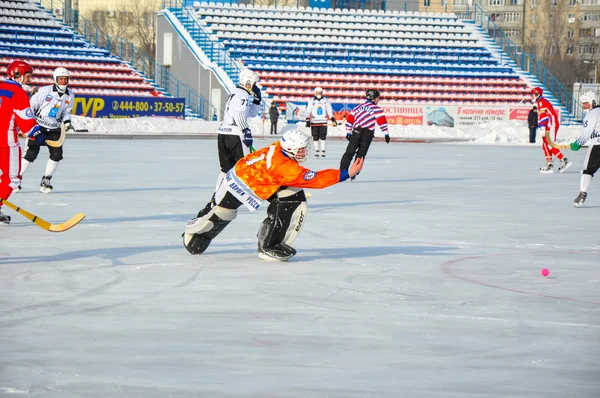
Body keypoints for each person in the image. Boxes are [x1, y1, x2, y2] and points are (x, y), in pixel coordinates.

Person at [183, 130, 364, 261]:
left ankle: (269, 244)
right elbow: (316, 180)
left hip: (255, 176)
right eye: (300, 149)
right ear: (291, 149)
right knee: (222, 213)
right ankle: (193, 236)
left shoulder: (281, 147)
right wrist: (346, 173)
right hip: (240, 181)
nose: (304, 152)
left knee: (293, 198)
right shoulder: (286, 168)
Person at [198, 68, 261, 217]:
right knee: (243, 168)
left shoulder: (235, 92)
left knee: (225, 169)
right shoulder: (243, 94)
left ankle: (216, 199)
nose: (255, 86)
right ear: (248, 82)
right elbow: (240, 115)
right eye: (253, 83)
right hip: (235, 135)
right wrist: (245, 130)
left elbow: (250, 113)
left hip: (223, 133)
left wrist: (257, 101)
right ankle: (238, 198)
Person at [18, 67, 75, 193]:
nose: (64, 81)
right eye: (61, 79)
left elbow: (67, 111)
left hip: (55, 129)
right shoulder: (45, 90)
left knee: (57, 155)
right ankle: (17, 179)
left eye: (66, 79)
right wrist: (28, 123)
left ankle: (46, 179)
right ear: (55, 79)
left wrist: (67, 122)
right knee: (30, 153)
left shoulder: (70, 95)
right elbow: (32, 105)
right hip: (39, 126)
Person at [0, 60, 41, 224]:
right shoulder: (18, 92)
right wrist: (36, 134)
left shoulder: (1, 87)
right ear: (17, 75)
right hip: (6, 141)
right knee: (12, 179)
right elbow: (25, 120)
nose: (29, 80)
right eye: (27, 76)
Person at [341, 89, 389, 180]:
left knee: (349, 152)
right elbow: (382, 122)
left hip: (356, 131)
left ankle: (342, 171)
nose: (378, 100)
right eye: (378, 98)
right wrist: (386, 133)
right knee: (361, 154)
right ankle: (354, 173)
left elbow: (350, 119)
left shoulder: (358, 107)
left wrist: (348, 131)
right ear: (374, 98)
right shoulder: (377, 109)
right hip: (367, 133)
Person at [570, 91, 600, 207]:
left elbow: (586, 132)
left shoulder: (592, 114)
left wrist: (578, 143)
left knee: (587, 171)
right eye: (582, 104)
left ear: (592, 102)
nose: (583, 106)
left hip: (597, 146)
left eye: (586, 103)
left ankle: (582, 194)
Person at [532, 87, 572, 173]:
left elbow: (544, 116)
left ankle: (564, 160)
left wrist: (541, 126)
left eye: (533, 94)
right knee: (545, 145)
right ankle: (549, 164)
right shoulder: (540, 101)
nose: (532, 96)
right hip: (549, 124)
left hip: (552, 124)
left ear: (536, 94)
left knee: (549, 144)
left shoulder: (541, 102)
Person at [305, 87, 336, 158]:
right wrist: (307, 119)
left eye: (320, 92)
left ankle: (323, 151)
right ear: (315, 93)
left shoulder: (325, 100)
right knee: (315, 137)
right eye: (318, 92)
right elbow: (307, 111)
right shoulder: (311, 101)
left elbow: (329, 110)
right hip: (314, 121)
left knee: (323, 137)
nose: (319, 94)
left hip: (323, 121)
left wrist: (332, 118)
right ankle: (317, 151)